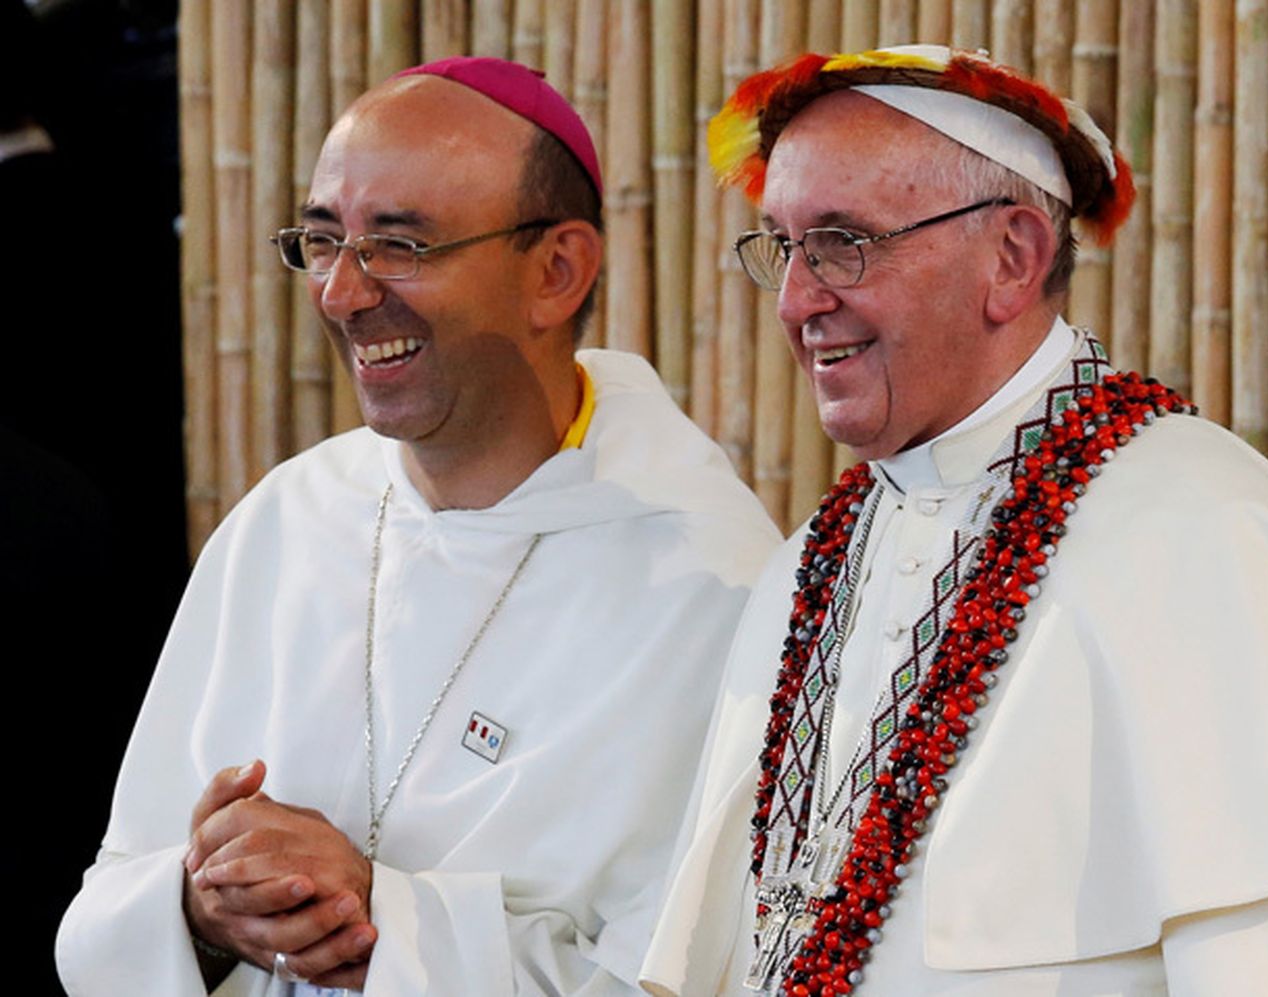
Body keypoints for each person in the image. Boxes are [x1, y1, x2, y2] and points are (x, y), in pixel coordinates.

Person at [640, 45, 1268, 996]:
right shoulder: (815, 556)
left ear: (1013, 256)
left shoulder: (1198, 530)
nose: (799, 299)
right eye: (784, 248)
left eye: (845, 242)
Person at [56, 56, 780, 995]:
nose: (342, 294)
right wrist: (197, 913)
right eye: (323, 242)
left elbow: (706, 978)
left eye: (401, 246)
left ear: (556, 272)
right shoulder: (286, 518)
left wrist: (373, 921)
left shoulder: (713, 587)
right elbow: (110, 897)